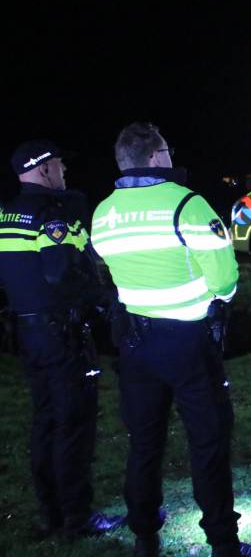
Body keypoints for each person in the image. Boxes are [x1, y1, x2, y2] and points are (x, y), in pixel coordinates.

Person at [90, 122, 251, 557]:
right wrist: (219, 297)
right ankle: (224, 544)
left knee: (145, 441)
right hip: (188, 343)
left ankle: (144, 535)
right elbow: (225, 279)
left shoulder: (103, 212)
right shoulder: (187, 205)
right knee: (207, 441)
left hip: (135, 344)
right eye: (166, 152)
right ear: (156, 158)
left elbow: (111, 269)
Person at [0, 140, 126, 538]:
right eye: (58, 165)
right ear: (42, 170)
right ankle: (78, 517)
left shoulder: (7, 214)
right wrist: (103, 299)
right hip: (63, 336)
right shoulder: (53, 216)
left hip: (28, 334)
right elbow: (61, 273)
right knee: (73, 424)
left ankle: (51, 512)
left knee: (46, 421)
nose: (64, 171)